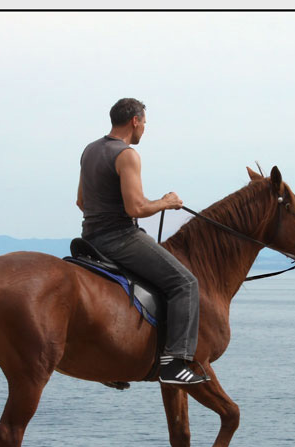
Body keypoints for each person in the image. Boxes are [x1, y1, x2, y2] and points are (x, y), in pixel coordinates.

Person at [76, 98, 209, 385]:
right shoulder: (127, 155)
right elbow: (135, 209)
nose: (144, 129)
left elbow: (81, 201)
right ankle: (174, 362)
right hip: (120, 238)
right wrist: (166, 202)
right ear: (135, 121)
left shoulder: (89, 151)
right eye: (145, 123)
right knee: (185, 283)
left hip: (90, 239)